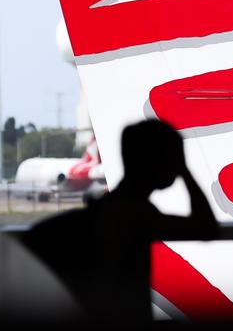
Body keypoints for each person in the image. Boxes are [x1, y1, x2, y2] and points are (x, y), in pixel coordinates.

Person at [22, 119, 218, 322]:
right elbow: (207, 228)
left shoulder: (104, 213)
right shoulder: (136, 216)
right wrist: (185, 171)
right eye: (175, 156)